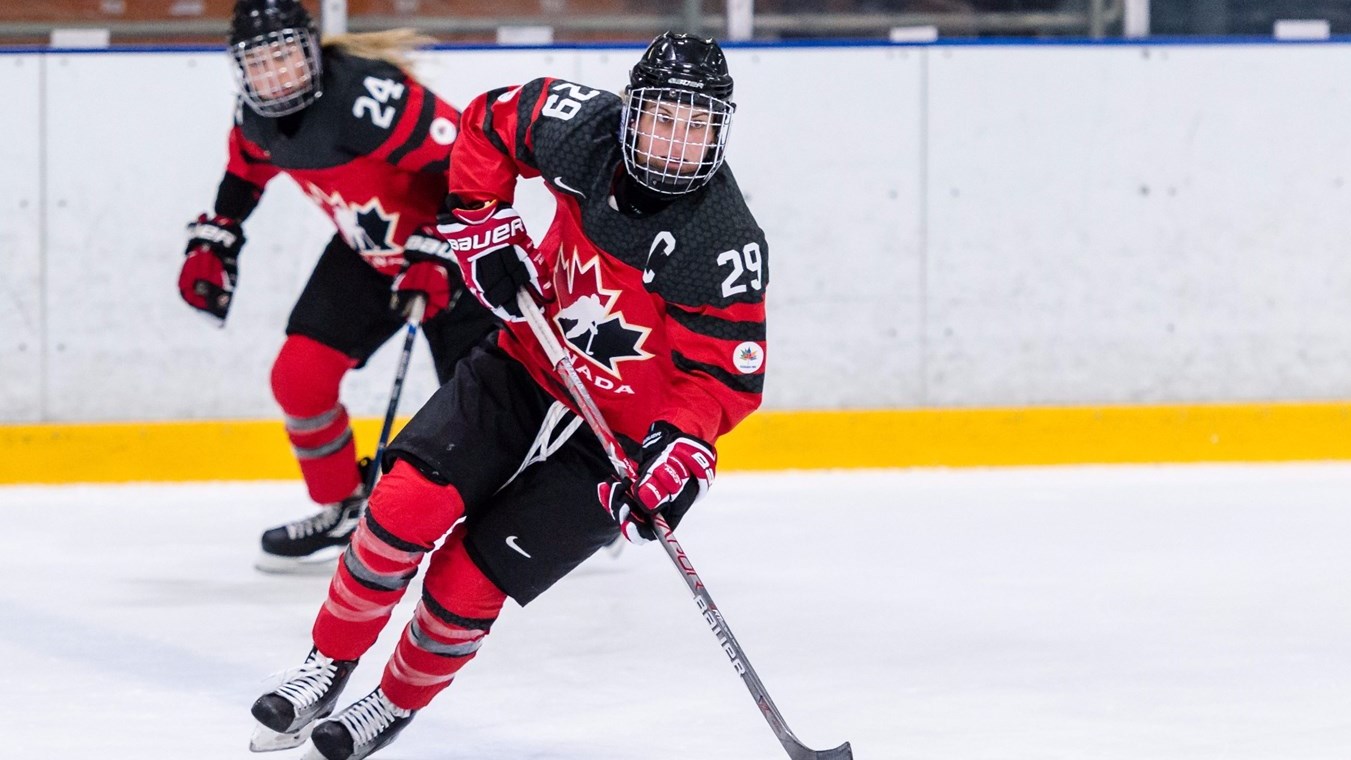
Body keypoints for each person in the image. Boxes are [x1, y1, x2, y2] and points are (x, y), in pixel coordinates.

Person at [247, 32, 768, 760]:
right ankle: (326, 664)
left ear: (720, 131)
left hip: (618, 435)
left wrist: (676, 455)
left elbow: (726, 378)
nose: (676, 143)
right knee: (400, 508)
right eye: (661, 118)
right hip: (529, 359)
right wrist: (483, 223)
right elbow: (488, 122)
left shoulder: (722, 240)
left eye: (696, 126)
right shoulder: (579, 128)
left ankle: (390, 704)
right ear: (631, 110)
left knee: (468, 578)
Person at [178, 0, 495, 573]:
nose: (275, 76)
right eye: (260, 64)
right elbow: (247, 168)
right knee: (300, 377)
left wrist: (443, 243)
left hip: (459, 255)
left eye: (286, 58)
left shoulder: (366, 96)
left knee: (487, 408)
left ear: (312, 51)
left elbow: (469, 160)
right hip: (369, 255)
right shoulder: (256, 116)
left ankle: (553, 501)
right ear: (239, 69)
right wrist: (218, 234)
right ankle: (346, 507)